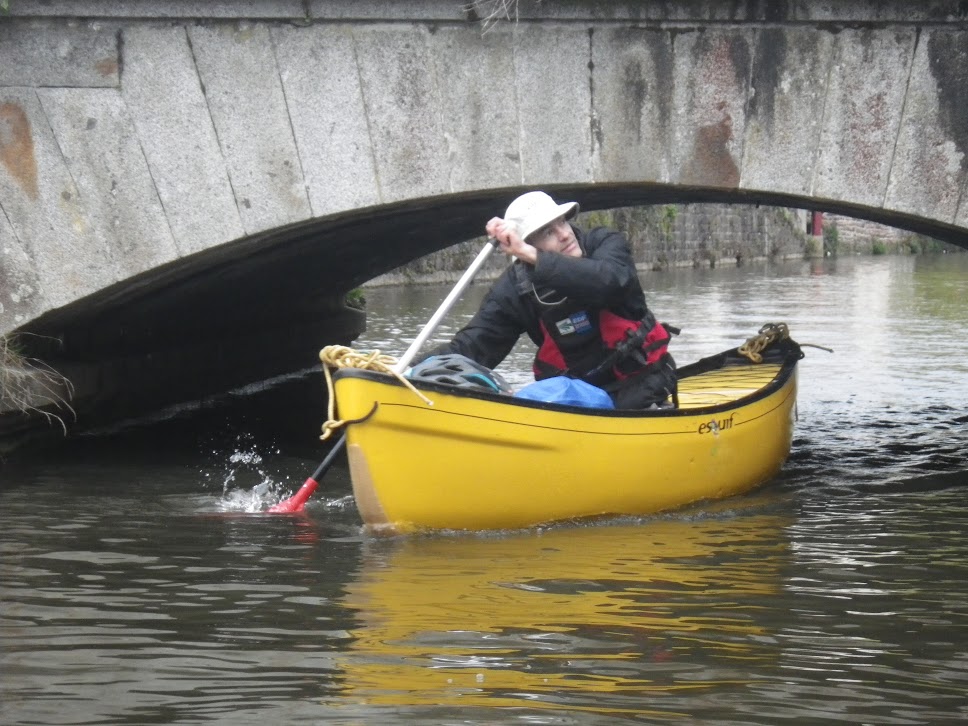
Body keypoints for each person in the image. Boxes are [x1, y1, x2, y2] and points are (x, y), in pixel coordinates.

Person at [426, 191, 677, 409]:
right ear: (525, 248)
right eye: (548, 232)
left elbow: (610, 282)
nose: (565, 235)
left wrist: (532, 255)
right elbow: (474, 345)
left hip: (640, 389)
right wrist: (405, 371)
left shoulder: (605, 243)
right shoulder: (516, 287)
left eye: (562, 223)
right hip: (575, 402)